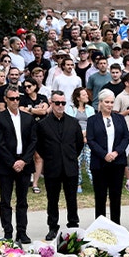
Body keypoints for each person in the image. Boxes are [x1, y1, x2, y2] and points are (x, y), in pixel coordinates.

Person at [0, 84, 37, 243]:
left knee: (22, 200)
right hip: (6, 164)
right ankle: (8, 232)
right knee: (5, 200)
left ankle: (22, 232)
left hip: (24, 163)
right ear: (5, 99)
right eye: (12, 99)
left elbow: (33, 141)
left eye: (18, 98)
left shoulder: (28, 118)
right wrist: (13, 162)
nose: (15, 101)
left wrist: (24, 161)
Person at [35, 90, 83, 240]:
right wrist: (50, 157)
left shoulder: (73, 122)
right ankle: (52, 227)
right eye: (57, 103)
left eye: (63, 103)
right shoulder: (42, 124)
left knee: (71, 199)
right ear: (51, 103)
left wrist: (69, 156)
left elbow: (79, 144)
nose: (60, 105)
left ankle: (73, 225)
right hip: (52, 167)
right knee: (52, 200)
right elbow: (39, 146)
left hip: (70, 167)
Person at [87, 90, 129, 224]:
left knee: (116, 196)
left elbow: (125, 137)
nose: (110, 105)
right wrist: (104, 154)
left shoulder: (119, 118)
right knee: (100, 196)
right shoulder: (92, 120)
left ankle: (116, 224)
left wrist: (116, 152)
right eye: (107, 102)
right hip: (99, 163)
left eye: (112, 102)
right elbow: (91, 140)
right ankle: (100, 225)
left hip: (117, 163)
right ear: (100, 103)